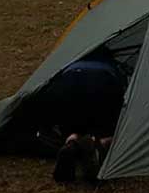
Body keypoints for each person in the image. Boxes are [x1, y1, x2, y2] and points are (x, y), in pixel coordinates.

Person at [38, 47, 127, 182]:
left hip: (66, 86)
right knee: (106, 130)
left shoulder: (72, 60)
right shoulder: (111, 65)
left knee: (74, 126)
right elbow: (121, 98)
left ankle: (71, 142)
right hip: (103, 85)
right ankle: (99, 146)